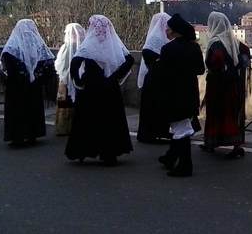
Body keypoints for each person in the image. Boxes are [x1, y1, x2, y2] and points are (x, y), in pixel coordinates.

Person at [64, 15, 134, 166]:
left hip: (91, 87)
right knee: (110, 118)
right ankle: (109, 153)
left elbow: (75, 63)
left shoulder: (88, 44)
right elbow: (129, 60)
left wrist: (79, 81)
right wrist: (116, 76)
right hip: (110, 87)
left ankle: (83, 150)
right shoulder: (113, 43)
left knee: (88, 118)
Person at [155, 13, 206, 177]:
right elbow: (200, 70)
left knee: (181, 129)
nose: (166, 31)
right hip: (190, 92)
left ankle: (185, 165)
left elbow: (162, 75)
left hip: (173, 94)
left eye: (168, 28)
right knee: (181, 126)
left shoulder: (167, 49)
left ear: (174, 31)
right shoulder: (194, 47)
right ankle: (171, 157)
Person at [202, 11, 250, 158]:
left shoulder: (216, 42)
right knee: (230, 113)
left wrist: (216, 70)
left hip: (218, 85)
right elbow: (245, 56)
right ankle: (235, 144)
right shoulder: (233, 41)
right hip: (233, 83)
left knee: (216, 112)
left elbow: (216, 60)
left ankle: (213, 141)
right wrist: (234, 67)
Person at [0, 19, 56, 147]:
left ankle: (17, 136)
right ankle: (32, 134)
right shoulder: (39, 45)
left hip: (16, 87)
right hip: (33, 86)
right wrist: (37, 78)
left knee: (17, 110)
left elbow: (7, 66)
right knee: (33, 108)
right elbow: (48, 65)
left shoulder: (12, 46)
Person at [136, 12, 172, 143]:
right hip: (158, 79)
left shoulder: (153, 37)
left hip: (153, 78)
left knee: (153, 107)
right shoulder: (159, 38)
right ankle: (156, 131)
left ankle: (154, 131)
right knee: (157, 106)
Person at [53, 23, 86, 136]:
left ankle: (64, 127)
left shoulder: (66, 47)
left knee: (65, 102)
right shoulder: (85, 46)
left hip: (66, 79)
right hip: (80, 79)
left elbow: (59, 65)